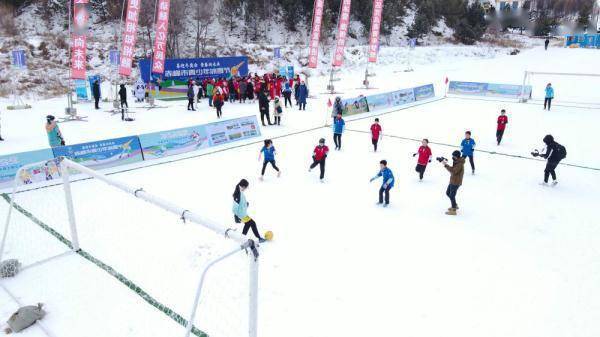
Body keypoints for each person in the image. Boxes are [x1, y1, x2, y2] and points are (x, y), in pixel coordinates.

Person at [442, 150, 465, 215]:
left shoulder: (459, 164)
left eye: (453, 156)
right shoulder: (456, 161)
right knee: (448, 193)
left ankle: (453, 210)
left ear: (456, 156)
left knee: (452, 195)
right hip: (453, 180)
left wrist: (446, 165)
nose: (452, 157)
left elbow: (453, 171)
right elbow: (453, 169)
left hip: (456, 182)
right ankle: (454, 205)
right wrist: (445, 163)